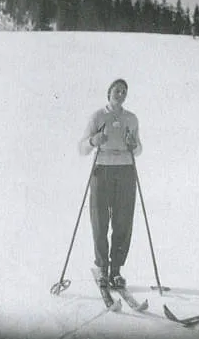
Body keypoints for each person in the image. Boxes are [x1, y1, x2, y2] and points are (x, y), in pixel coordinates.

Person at [79, 79, 142, 288]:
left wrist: (134, 146)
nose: (120, 94)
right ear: (109, 92)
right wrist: (93, 141)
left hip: (125, 170)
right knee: (99, 219)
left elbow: (139, 148)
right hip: (102, 169)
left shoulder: (131, 119)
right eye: (117, 90)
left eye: (124, 91)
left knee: (123, 221)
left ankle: (116, 270)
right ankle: (102, 267)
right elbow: (81, 147)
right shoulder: (98, 116)